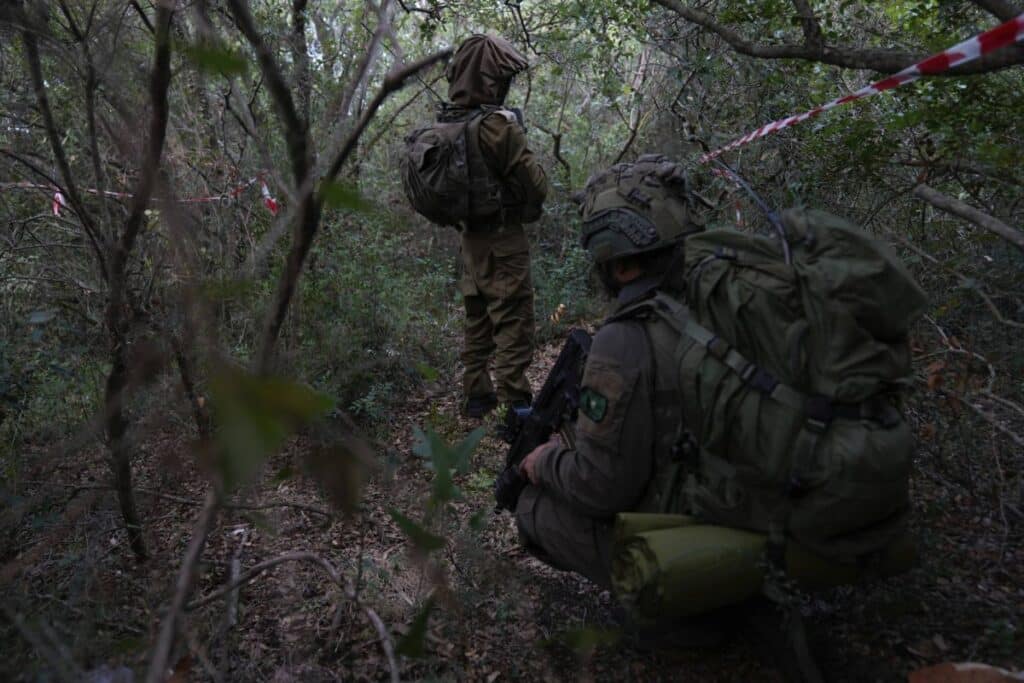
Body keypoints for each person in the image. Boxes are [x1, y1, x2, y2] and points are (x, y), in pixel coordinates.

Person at [514, 155, 705, 587]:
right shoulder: (709, 303)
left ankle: (674, 620)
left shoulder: (624, 338)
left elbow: (601, 487)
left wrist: (545, 461)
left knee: (529, 505)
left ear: (618, 263)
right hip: (752, 511)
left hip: (691, 536)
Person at [442, 34, 549, 418]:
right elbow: (536, 183)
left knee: (478, 319)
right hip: (504, 237)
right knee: (513, 319)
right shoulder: (497, 126)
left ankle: (476, 397)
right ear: (492, 80)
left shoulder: (451, 123)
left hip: (470, 238)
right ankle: (516, 408)